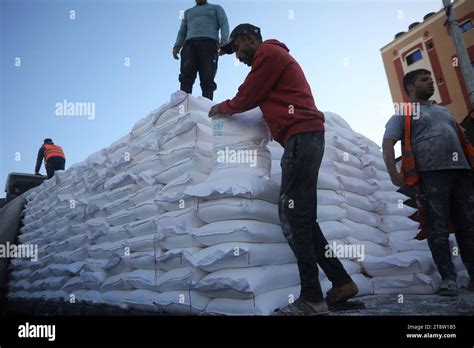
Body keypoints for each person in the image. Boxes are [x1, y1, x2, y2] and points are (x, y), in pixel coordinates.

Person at [208, 23, 358, 315]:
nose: (237, 56)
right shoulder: (274, 56)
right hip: (305, 137)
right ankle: (341, 282)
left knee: (292, 214)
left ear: (249, 38)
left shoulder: (268, 54)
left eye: (237, 48)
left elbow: (247, 95)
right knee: (303, 217)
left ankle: (312, 298)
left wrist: (222, 107)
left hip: (301, 137)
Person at [382, 69, 474, 296]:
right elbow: (388, 143)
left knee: (468, 227)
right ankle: (449, 279)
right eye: (425, 80)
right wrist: (394, 175)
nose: (431, 83)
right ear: (411, 88)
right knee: (437, 228)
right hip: (431, 175)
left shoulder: (445, 112)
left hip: (461, 172)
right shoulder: (404, 113)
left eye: (432, 79)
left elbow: (462, 137)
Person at [173, 0, 229, 101]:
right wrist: (177, 46)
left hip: (209, 44)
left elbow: (224, 24)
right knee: (186, 76)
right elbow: (182, 31)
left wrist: (224, 42)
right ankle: (183, 105)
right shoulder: (188, 12)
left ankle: (206, 107)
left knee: (207, 77)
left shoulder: (216, 8)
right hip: (189, 45)